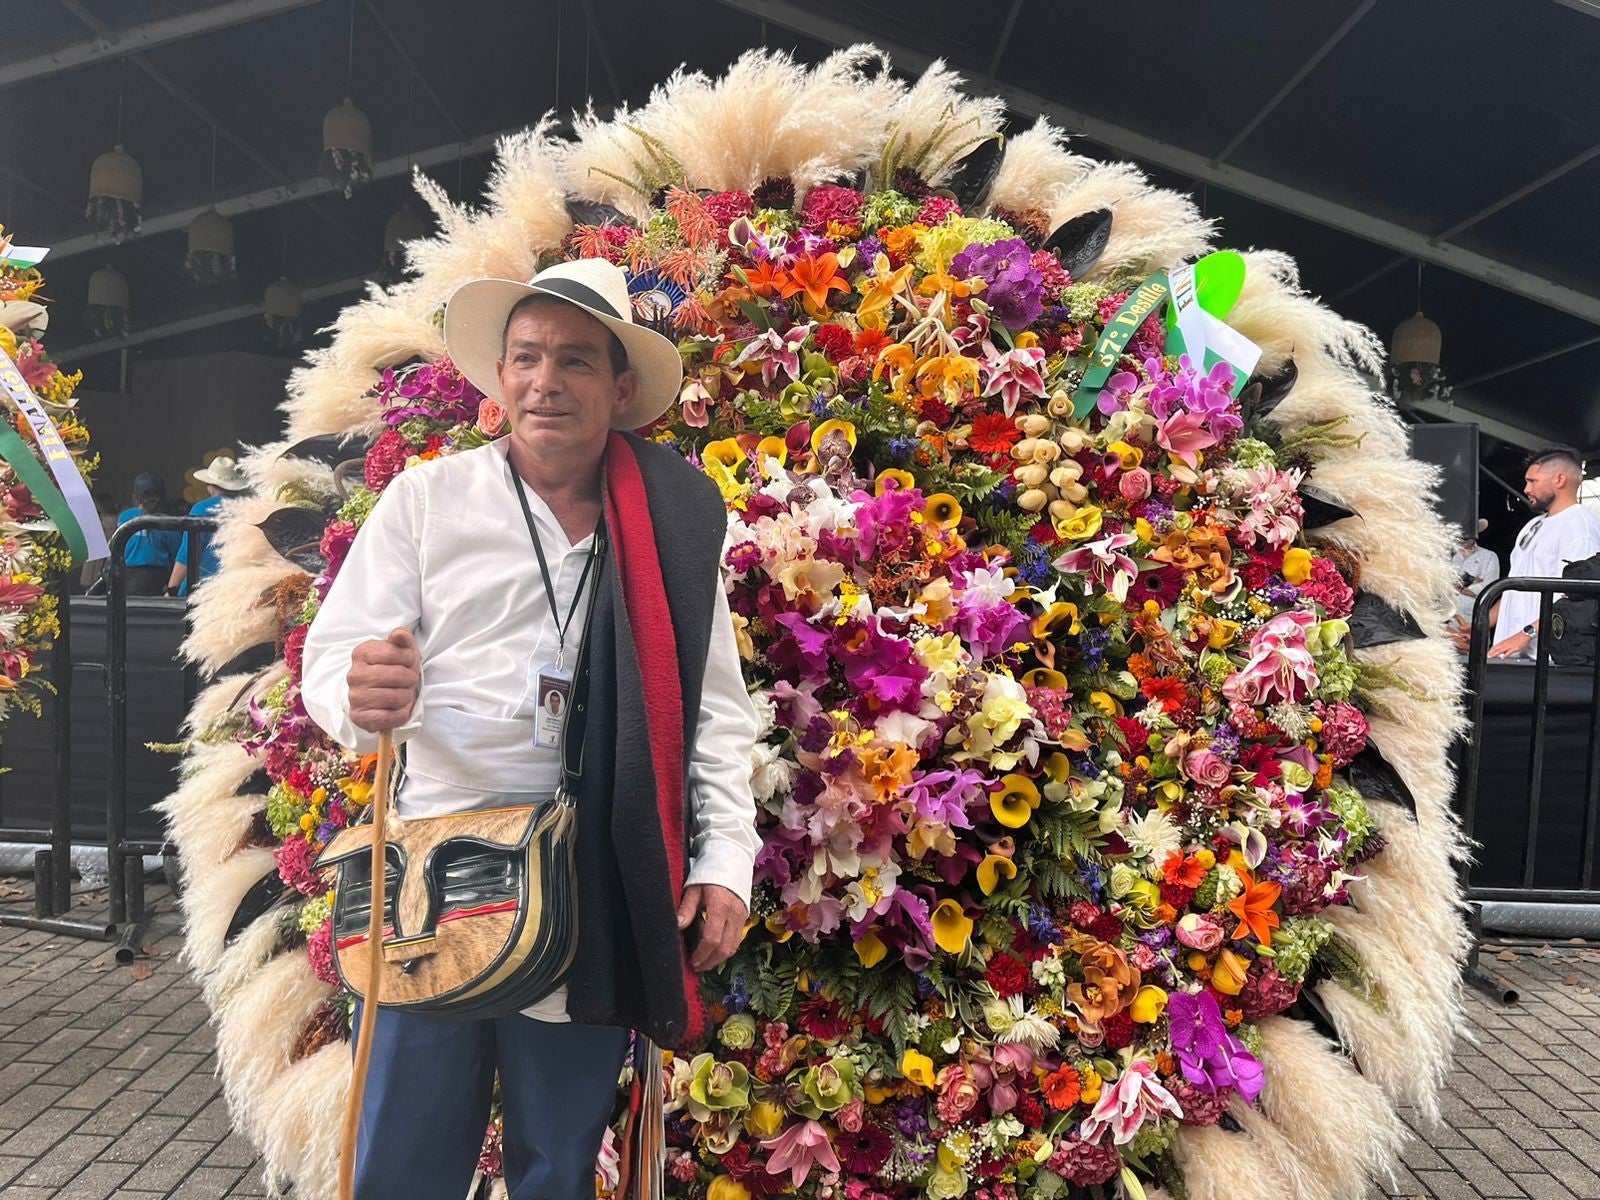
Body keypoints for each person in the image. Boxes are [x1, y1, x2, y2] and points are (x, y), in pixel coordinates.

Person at [299, 258, 760, 1199]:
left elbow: (716, 713)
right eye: (527, 357)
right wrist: (364, 691)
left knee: (558, 1168)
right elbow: (333, 663)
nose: (546, 381)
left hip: (593, 879)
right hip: (436, 880)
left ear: (621, 387)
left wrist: (724, 865)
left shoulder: (671, 524)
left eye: (577, 362)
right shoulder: (427, 504)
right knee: (400, 1166)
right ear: (501, 376)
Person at [1481, 448, 1600, 659]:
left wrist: (1527, 633)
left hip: (1543, 659)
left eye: (1533, 481)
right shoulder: (1532, 525)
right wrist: (1481, 623)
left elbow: (1575, 598)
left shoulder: (1579, 527)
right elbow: (1514, 588)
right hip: (1509, 653)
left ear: (1560, 480)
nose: (1526, 488)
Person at [165, 455, 249, 597]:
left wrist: (171, 588)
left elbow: (187, 554)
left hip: (201, 590)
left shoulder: (201, 509)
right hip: (236, 591)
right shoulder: (247, 510)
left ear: (210, 486)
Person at [116, 473, 183, 596]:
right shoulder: (168, 522)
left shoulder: (124, 516)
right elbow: (178, 554)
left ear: (135, 496)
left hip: (124, 576)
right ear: (163, 496)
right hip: (156, 579)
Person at [1450, 518, 1499, 623]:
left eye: (1467, 532)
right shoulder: (1444, 554)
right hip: (1444, 617)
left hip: (1473, 619)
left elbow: (1489, 588)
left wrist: (1454, 586)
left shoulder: (1489, 556)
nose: (1464, 536)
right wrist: (1473, 580)